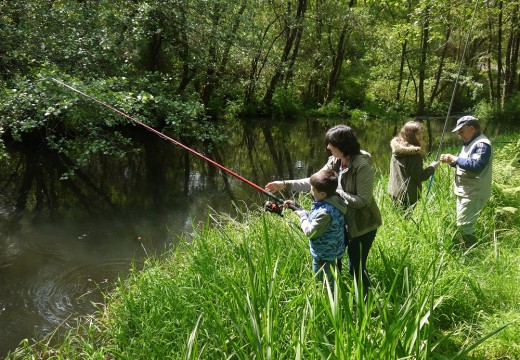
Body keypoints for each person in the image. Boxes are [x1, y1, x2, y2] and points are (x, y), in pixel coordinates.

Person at [266, 125, 382, 294]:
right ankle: (338, 298)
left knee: (355, 268)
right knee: (336, 264)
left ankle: (367, 302)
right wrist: (284, 184)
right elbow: (315, 181)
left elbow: (363, 201)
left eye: (331, 143)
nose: (327, 147)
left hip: (362, 226)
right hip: (342, 222)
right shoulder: (335, 161)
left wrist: (335, 193)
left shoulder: (363, 167)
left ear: (342, 146)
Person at [283, 169, 347, 287]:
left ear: (322, 194)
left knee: (325, 285)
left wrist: (302, 216)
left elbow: (310, 232)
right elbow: (316, 218)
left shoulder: (325, 212)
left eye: (313, 189)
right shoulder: (333, 201)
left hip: (325, 255)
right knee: (330, 281)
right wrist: (297, 207)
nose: (311, 191)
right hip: (331, 251)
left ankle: (331, 303)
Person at [440, 115, 493, 248]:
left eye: (461, 131)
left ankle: (472, 254)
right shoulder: (469, 142)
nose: (459, 134)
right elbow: (466, 163)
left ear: (471, 128)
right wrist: (451, 161)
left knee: (464, 225)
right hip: (467, 191)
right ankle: (469, 251)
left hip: (474, 192)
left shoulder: (481, 144)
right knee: (464, 224)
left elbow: (476, 166)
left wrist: (455, 158)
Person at [388, 121, 439, 209]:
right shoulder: (414, 155)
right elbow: (420, 176)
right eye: (417, 134)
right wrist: (432, 167)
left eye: (421, 133)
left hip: (394, 191)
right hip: (408, 196)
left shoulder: (396, 149)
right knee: (406, 220)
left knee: (400, 219)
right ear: (409, 135)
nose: (420, 136)